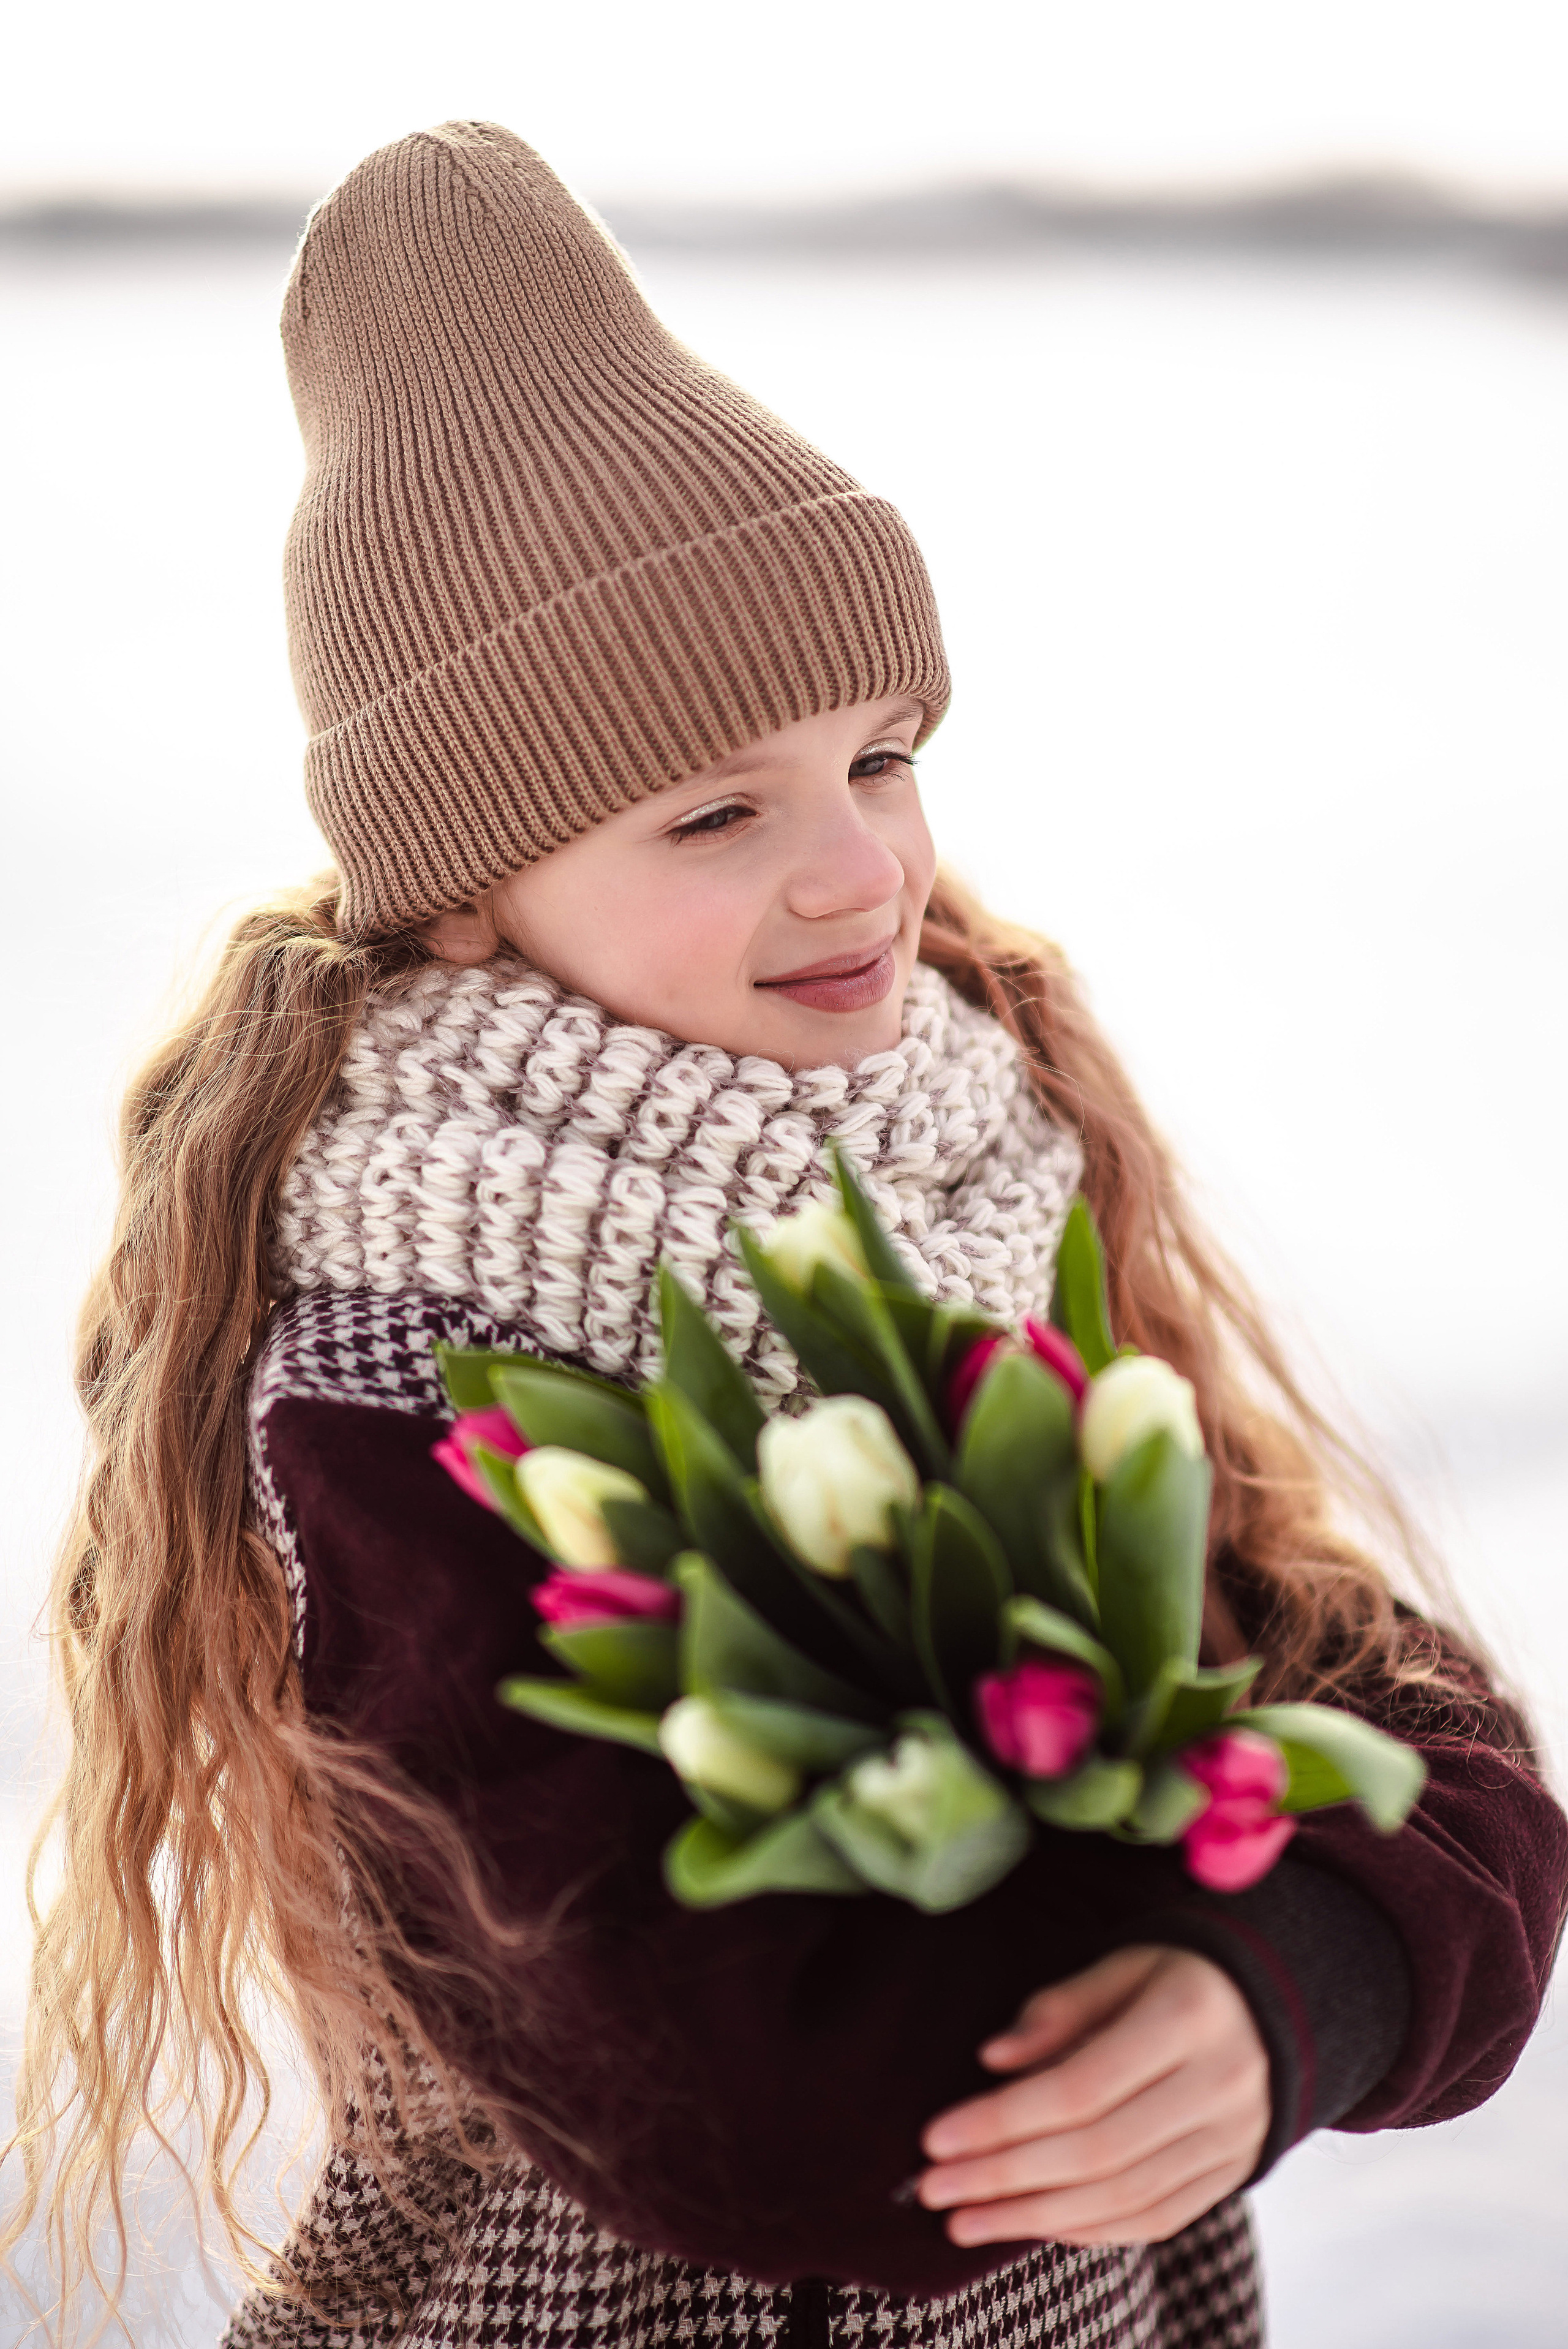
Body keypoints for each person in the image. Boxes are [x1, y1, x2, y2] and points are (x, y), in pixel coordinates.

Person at [9, 121, 1565, 2349]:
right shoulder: (404, 1380)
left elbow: (1385, 1691)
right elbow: (741, 2092)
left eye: (883, 756)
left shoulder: (968, 1181)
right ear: (467, 893)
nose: (858, 872)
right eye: (719, 809)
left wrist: (1300, 1977)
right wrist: (1160, 1883)